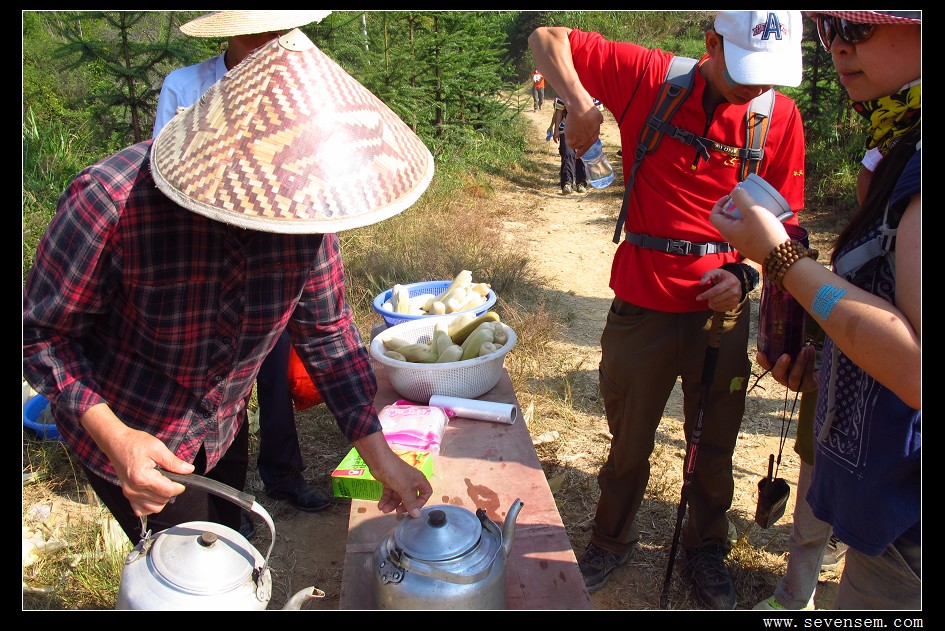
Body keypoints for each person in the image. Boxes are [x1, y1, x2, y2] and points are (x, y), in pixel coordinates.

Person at [22, 26, 435, 545]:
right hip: (133, 424)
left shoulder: (307, 206)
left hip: (223, 421)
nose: (276, 216)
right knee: (183, 564)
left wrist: (380, 455)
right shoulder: (110, 198)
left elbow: (328, 334)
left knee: (228, 537)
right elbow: (42, 335)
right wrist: (117, 438)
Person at [530, 10, 806, 609]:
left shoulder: (780, 116)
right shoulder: (650, 77)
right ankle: (610, 538)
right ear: (712, 43)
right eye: (747, 70)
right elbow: (547, 38)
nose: (759, 86)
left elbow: (785, 224)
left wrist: (743, 275)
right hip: (642, 301)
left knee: (716, 442)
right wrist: (578, 102)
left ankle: (706, 548)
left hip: (721, 314)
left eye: (771, 73)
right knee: (629, 437)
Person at [714, 10, 920, 610]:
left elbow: (914, 366)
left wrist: (781, 259)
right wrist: (838, 361)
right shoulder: (898, 141)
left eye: (856, 28)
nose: (837, 47)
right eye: (829, 28)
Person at [153, 11, 336, 536]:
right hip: (204, 257)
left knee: (275, 371)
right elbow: (163, 166)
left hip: (273, 250)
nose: (270, 39)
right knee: (217, 389)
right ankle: (223, 505)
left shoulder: (298, 82)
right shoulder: (186, 85)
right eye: (257, 28)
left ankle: (284, 475)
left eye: (277, 29)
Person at [546, 96, 596, 195]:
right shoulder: (565, 92)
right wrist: (556, 130)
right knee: (567, 154)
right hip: (566, 129)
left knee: (581, 156)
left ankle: (581, 183)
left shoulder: (592, 94)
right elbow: (559, 111)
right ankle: (567, 183)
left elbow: (596, 113)